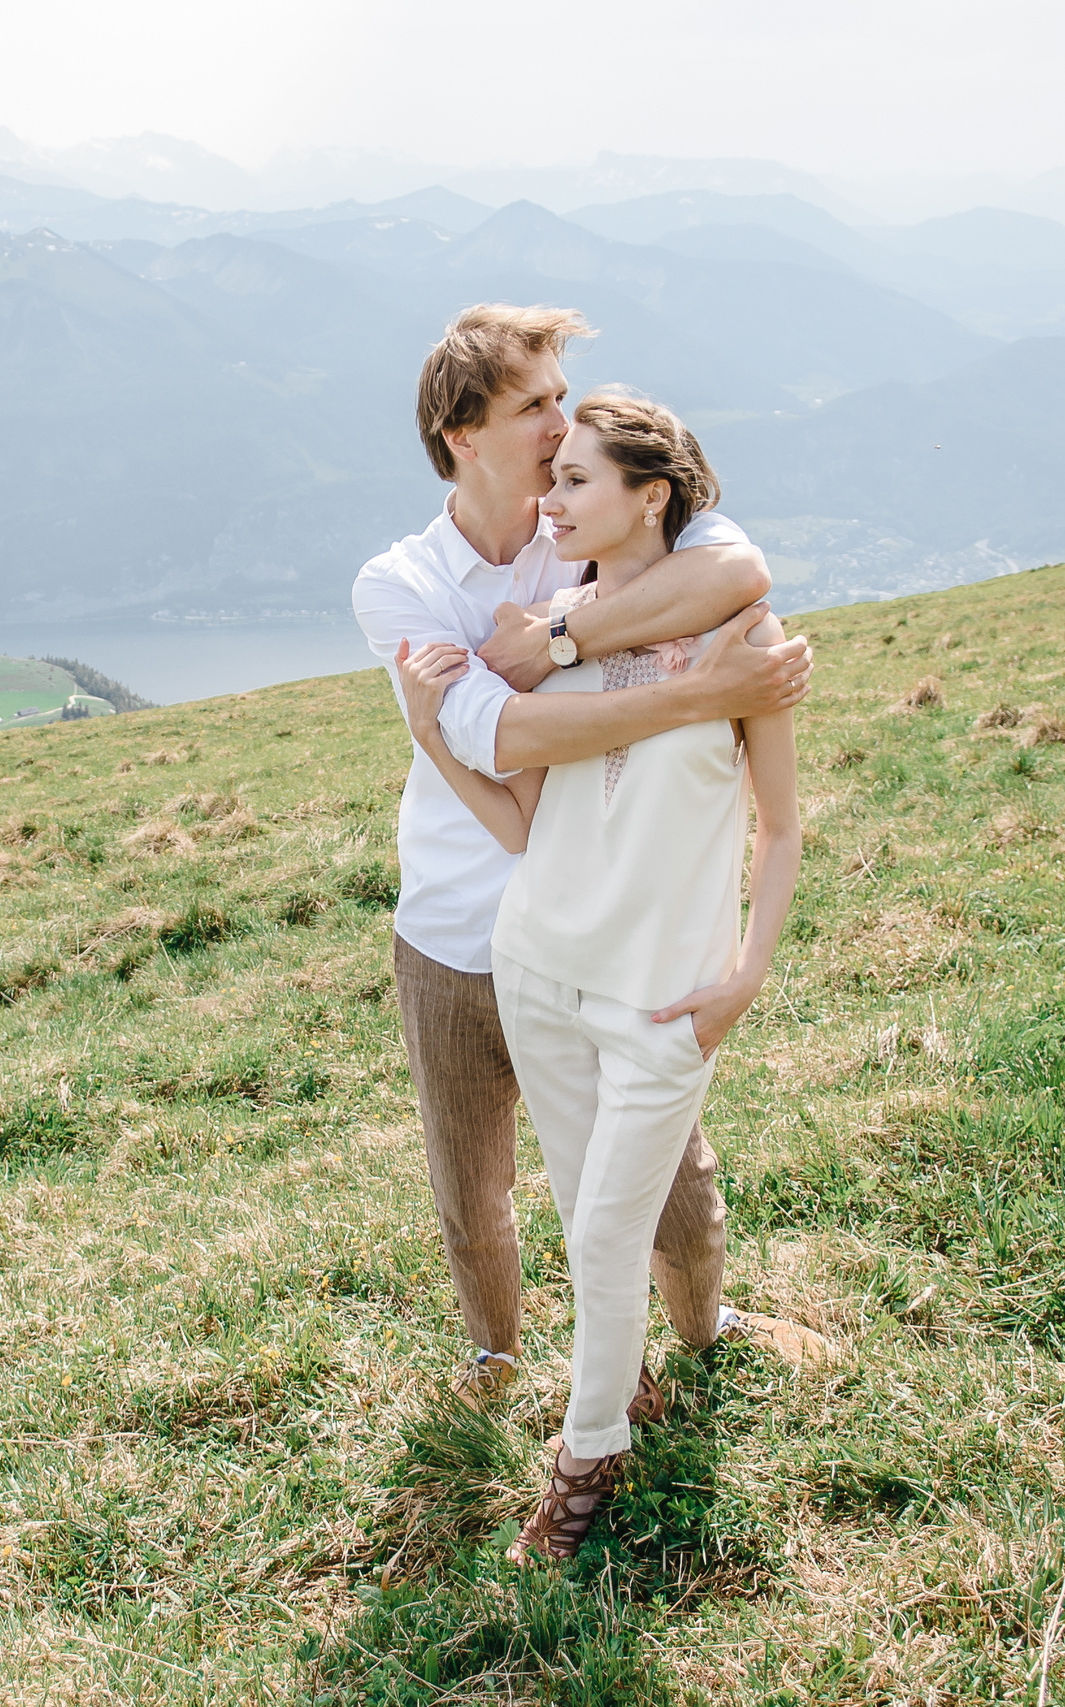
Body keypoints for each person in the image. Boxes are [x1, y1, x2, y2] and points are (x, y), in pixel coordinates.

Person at [350, 304, 819, 1415]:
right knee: (476, 1187)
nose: (563, 420)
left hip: (612, 926)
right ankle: (498, 1363)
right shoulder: (401, 582)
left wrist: (559, 638)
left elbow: (735, 571)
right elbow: (500, 738)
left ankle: (705, 1332)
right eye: (536, 405)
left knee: (671, 1182)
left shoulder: (597, 524)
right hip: (462, 926)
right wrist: (703, 695)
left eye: (564, 398)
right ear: (460, 433)